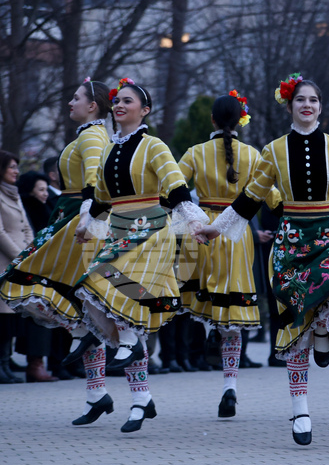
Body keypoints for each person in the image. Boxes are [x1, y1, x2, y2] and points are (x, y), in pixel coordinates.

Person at [197, 73, 329, 446]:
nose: (308, 105)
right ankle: (300, 408)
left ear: (321, 107)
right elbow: (250, 199)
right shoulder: (272, 150)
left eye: (314, 101)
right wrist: (216, 229)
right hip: (290, 241)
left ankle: (324, 325)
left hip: (327, 233)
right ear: (290, 106)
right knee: (293, 328)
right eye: (301, 100)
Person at [73, 77, 210, 433]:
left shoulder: (154, 146)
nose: (118, 105)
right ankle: (141, 399)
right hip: (118, 226)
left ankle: (131, 349)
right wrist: (88, 222)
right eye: (116, 101)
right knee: (108, 300)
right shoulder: (107, 148)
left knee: (112, 289)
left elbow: (177, 189)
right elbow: (102, 197)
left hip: (149, 227)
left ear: (144, 110)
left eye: (128, 101)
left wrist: (195, 222)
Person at [0, 78, 113, 390]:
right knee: (80, 301)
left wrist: (87, 218)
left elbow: (94, 179)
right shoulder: (92, 134)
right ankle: (97, 392)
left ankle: (109, 381)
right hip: (74, 215)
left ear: (92, 106)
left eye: (75, 98)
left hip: (78, 219)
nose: (69, 102)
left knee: (32, 280)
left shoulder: (92, 136)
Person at [178, 90, 280, 417]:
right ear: (241, 120)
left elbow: (173, 187)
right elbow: (275, 197)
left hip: (202, 230)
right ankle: (230, 385)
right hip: (237, 233)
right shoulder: (253, 155)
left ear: (211, 119)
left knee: (203, 296)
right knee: (232, 307)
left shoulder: (195, 152)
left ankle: (211, 334)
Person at [0, 152, 56, 383]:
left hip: (21, 261)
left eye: (17, 167)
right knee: (2, 317)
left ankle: (5, 364)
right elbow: (1, 232)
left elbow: (26, 228)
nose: (16, 171)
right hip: (5, 262)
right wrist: (19, 257)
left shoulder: (14, 195)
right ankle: (2, 364)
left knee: (10, 317)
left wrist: (30, 253)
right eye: (12, 167)